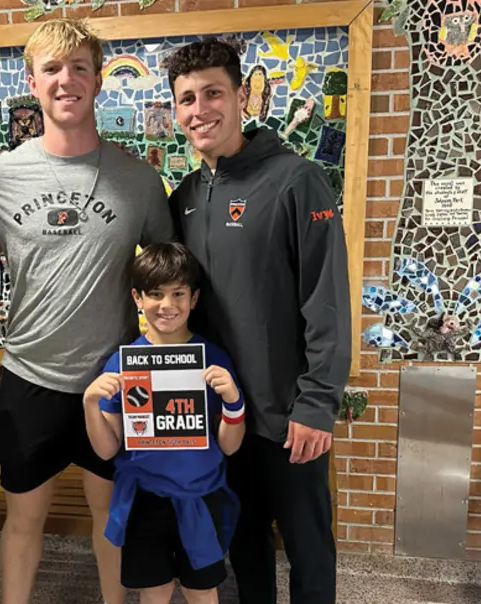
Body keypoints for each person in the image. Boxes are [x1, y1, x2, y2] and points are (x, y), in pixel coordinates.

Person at [0, 17, 175, 604]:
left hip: (112, 380)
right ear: (32, 83)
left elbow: (169, 274)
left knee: (111, 518)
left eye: (79, 67)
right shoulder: (1, 175)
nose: (66, 80)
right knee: (24, 519)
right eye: (52, 70)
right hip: (28, 379)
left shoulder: (138, 179)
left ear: (98, 78)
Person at [161, 38, 353, 604]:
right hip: (225, 418)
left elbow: (328, 299)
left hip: (291, 414)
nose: (200, 110)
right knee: (243, 546)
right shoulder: (187, 195)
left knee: (308, 548)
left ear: (243, 95)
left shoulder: (297, 180)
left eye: (213, 93)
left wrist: (318, 402)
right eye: (187, 99)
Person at [83, 242, 246, 604]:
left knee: (201, 589)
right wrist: (91, 403)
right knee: (153, 590)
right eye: (155, 294)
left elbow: (231, 445)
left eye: (178, 294)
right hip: (145, 498)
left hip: (201, 495)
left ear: (195, 297)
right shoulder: (123, 363)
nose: (167, 305)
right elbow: (108, 448)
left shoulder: (212, 359)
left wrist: (234, 400)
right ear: (137, 298)